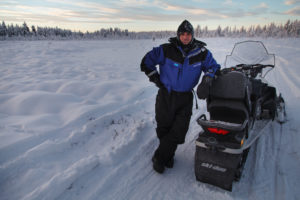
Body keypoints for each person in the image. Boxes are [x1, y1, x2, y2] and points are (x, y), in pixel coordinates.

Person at [140, 20, 220, 174]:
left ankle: (159, 157)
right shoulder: (166, 50)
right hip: (166, 95)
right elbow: (146, 62)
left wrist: (207, 79)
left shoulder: (201, 53)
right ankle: (168, 155)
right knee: (164, 127)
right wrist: (155, 78)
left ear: (192, 35)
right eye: (182, 34)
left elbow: (213, 67)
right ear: (178, 35)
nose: (185, 37)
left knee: (179, 130)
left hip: (185, 98)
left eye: (188, 34)